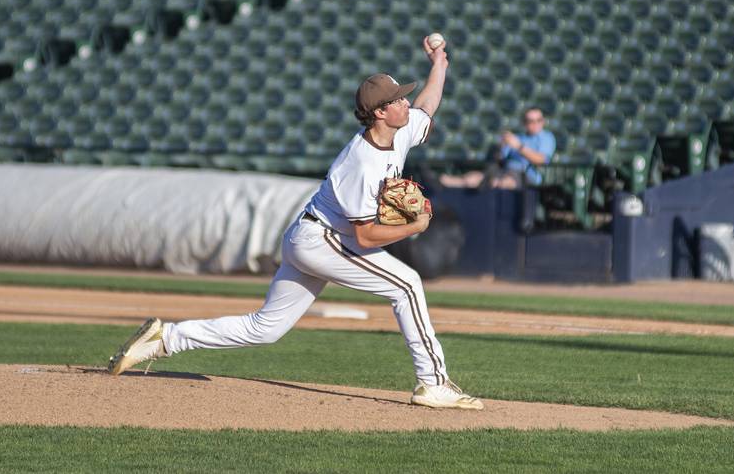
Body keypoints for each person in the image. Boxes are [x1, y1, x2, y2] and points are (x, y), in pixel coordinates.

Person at [107, 36, 484, 411]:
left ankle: (166, 338)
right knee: (407, 285)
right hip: (323, 241)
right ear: (381, 113)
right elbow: (366, 236)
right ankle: (432, 383)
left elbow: (428, 106)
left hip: (311, 235)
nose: (406, 102)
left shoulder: (398, 132)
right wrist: (413, 228)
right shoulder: (361, 164)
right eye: (398, 99)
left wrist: (439, 65)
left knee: (265, 328)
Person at [440, 107, 556, 189]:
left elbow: (541, 160)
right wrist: (502, 147)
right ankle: (440, 181)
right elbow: (500, 159)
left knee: (502, 183)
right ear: (524, 123)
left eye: (538, 120)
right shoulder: (518, 137)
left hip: (525, 175)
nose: (535, 124)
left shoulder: (546, 137)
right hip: (504, 170)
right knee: (472, 180)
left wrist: (519, 147)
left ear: (543, 121)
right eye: (531, 121)